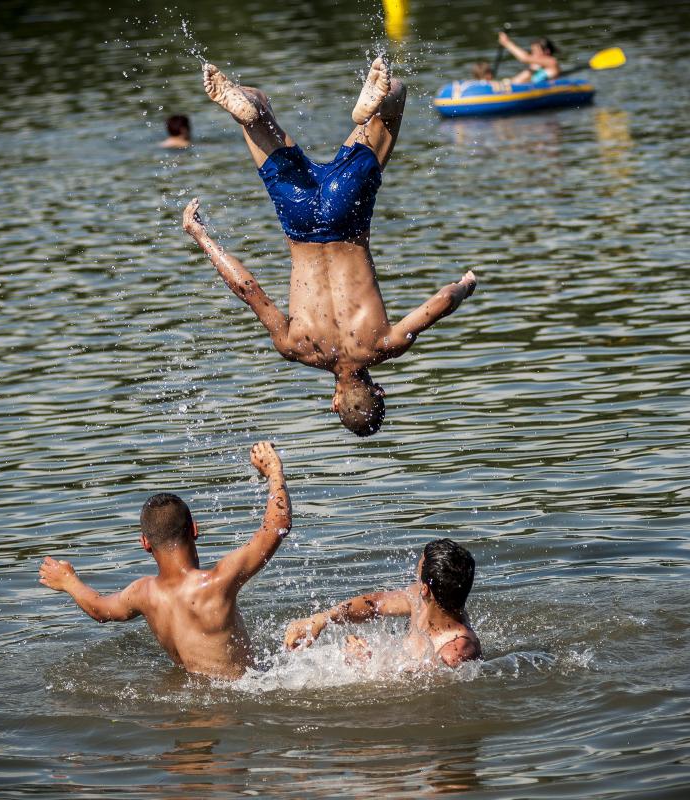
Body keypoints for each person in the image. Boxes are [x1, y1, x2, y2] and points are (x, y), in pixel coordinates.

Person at [183, 56, 477, 437]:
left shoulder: (386, 344)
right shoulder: (295, 347)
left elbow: (440, 303)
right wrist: (203, 237)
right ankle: (245, 102)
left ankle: (378, 102)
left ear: (379, 388)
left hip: (346, 212)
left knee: (397, 95)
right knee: (255, 116)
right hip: (299, 216)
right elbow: (247, 289)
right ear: (335, 402)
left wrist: (466, 285)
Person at [38, 442, 291, 680]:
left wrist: (69, 581)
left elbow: (99, 609)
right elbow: (277, 525)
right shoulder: (217, 582)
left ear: (145, 543)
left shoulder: (143, 594)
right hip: (239, 700)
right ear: (194, 529)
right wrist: (274, 472)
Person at [284, 538, 481, 669]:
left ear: (426, 589)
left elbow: (421, 694)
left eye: (418, 570)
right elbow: (376, 603)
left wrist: (365, 665)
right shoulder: (420, 599)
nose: (415, 575)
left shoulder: (457, 651)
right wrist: (322, 618)